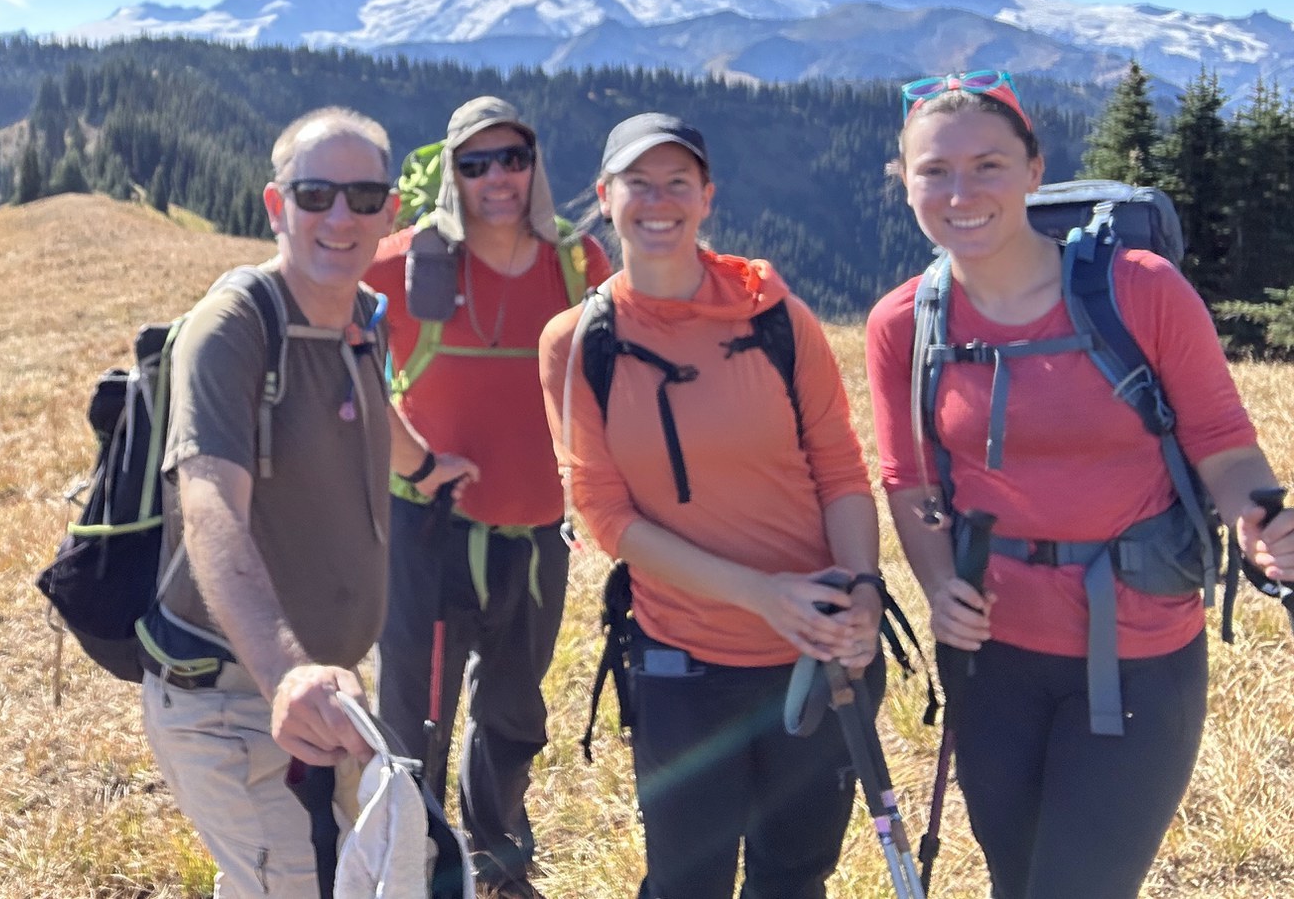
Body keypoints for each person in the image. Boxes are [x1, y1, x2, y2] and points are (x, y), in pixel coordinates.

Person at [867, 70, 1294, 899]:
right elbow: (908, 477)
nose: (962, 191)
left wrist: (1257, 518)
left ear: (1035, 170)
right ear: (906, 182)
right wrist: (937, 581)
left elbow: (1222, 444)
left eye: (988, 164)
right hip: (989, 654)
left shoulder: (1138, 289)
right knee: (1014, 879)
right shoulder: (902, 324)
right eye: (935, 171)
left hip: (1139, 650)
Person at [539, 112, 883, 899]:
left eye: (677, 184)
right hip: (680, 658)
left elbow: (839, 469)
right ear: (604, 196)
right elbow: (604, 515)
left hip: (815, 652)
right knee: (687, 880)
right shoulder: (576, 342)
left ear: (706, 199)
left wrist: (860, 589)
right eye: (638, 183)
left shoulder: (777, 320)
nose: (657, 202)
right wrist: (764, 596)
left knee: (794, 875)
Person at [141, 106, 431, 899]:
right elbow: (208, 505)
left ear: (390, 215)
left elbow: (372, 412)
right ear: (277, 207)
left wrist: (432, 466)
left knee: (327, 875)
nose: (340, 217)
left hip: (326, 693)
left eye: (364, 197)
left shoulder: (361, 320)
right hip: (233, 696)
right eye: (315, 194)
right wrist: (287, 674)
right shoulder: (233, 327)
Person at [365, 96, 607, 898]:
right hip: (427, 521)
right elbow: (332, 336)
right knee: (414, 708)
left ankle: (497, 857)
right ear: (454, 175)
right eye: (475, 163)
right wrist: (411, 454)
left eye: (513, 159)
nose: (497, 177)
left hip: (536, 529)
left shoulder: (578, 264)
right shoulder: (403, 263)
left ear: (534, 165)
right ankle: (417, 860)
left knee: (513, 708)